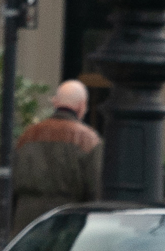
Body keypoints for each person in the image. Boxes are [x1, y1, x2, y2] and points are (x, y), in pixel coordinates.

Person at [11, 80, 104, 237]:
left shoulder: (28, 135)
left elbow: (10, 184)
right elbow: (95, 189)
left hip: (26, 221)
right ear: (82, 106)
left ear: (55, 103)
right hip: (66, 220)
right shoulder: (89, 140)